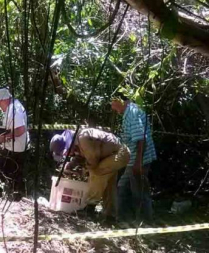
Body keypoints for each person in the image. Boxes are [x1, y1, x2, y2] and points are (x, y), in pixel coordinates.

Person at [50, 128, 130, 223]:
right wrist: (71, 165)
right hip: (112, 155)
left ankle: (90, 209)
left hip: (120, 154)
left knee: (97, 172)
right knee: (109, 184)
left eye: (66, 151)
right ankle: (110, 217)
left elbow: (93, 161)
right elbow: (82, 155)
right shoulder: (77, 141)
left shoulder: (83, 138)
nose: (67, 154)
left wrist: (83, 171)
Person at [111, 95, 157, 223]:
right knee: (123, 185)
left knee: (139, 192)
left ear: (120, 100)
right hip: (133, 158)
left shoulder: (132, 113)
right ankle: (121, 217)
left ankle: (145, 222)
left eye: (112, 102)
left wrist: (138, 163)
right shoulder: (130, 111)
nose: (112, 107)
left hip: (139, 159)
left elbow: (141, 140)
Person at [0, 88, 29, 201]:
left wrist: (4, 137)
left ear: (4, 99)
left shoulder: (14, 109)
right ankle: (14, 198)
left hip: (15, 149)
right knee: (13, 175)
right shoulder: (13, 107)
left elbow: (20, 129)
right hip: (13, 147)